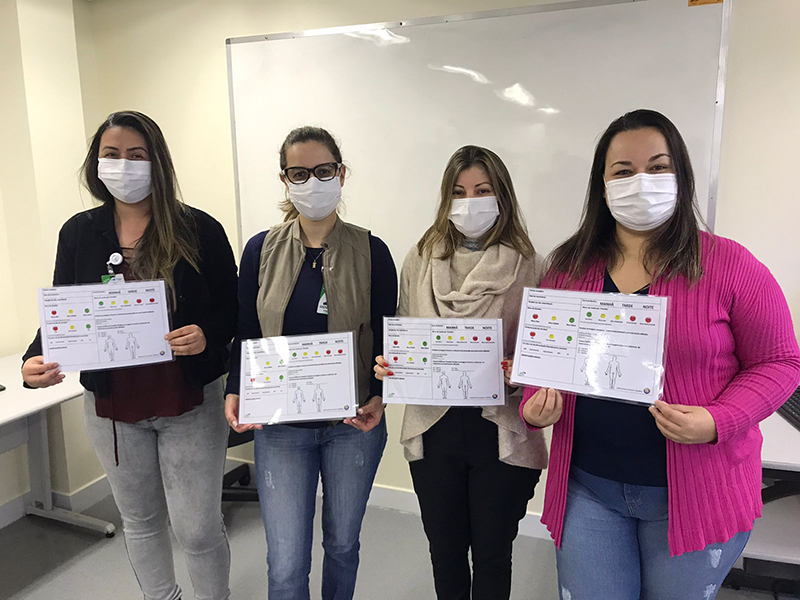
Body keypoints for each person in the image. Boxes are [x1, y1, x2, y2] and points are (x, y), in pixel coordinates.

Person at [520, 109, 800, 599]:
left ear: (681, 176)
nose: (640, 183)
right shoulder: (567, 266)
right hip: (588, 489)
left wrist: (718, 419)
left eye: (657, 167)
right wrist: (534, 403)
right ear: (602, 185)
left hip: (697, 492)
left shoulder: (729, 264)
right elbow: (544, 357)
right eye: (623, 171)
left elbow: (780, 363)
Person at [21, 111, 238, 600]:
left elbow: (233, 308)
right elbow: (64, 307)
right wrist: (36, 358)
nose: (124, 165)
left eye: (137, 155)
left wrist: (207, 334)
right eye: (112, 154)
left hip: (189, 401)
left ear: (157, 162)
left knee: (197, 529)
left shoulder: (199, 228)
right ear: (96, 163)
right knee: (141, 522)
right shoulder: (79, 232)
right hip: (114, 408)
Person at [224, 126, 398, 600]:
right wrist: (236, 387)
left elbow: (386, 337)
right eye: (299, 174)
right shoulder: (260, 250)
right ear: (285, 180)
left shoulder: (372, 251)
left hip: (353, 425)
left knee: (342, 545)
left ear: (341, 174)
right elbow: (247, 330)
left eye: (323, 171)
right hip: (281, 429)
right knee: (285, 563)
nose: (313, 182)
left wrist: (381, 396)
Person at [374, 145, 548, 600]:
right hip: (434, 427)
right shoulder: (419, 258)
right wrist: (393, 363)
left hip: (501, 428)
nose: (470, 202)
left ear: (502, 195)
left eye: (482, 190)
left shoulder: (531, 264)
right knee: (445, 551)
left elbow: (544, 352)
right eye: (459, 192)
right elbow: (405, 329)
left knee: (492, 554)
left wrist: (521, 369)